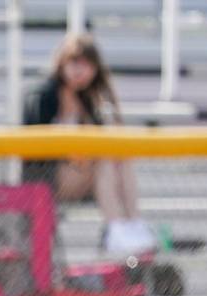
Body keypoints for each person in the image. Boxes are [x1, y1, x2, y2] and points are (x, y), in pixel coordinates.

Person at [22, 33, 156, 254]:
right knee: (102, 159)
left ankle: (134, 224)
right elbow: (35, 151)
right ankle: (116, 230)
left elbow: (111, 134)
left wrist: (100, 102)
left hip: (86, 176)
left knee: (119, 157)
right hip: (47, 181)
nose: (80, 71)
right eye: (74, 62)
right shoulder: (43, 96)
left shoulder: (88, 99)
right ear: (62, 62)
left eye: (87, 64)